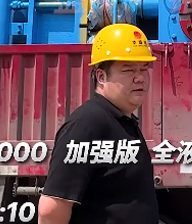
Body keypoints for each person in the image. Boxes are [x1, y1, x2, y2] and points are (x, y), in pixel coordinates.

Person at [38, 23, 160, 224]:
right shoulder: (86, 126)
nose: (140, 78)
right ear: (101, 76)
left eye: (144, 68)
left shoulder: (122, 122)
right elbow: (51, 210)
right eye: (129, 69)